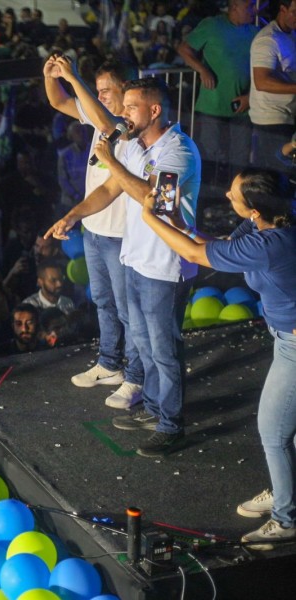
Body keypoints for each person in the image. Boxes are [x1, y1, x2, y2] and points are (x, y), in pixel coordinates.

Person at [139, 168, 296, 546]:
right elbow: (215, 246)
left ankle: (287, 519)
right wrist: (177, 221)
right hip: (285, 338)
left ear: (255, 210)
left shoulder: (271, 244)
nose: (227, 195)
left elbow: (195, 254)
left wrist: (148, 217)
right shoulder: (264, 227)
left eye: (234, 194)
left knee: (273, 431)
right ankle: (285, 491)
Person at [47, 77, 201, 457]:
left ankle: (171, 425)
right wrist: (72, 215)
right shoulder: (135, 146)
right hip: (135, 258)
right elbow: (109, 190)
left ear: (154, 111)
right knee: (145, 345)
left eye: (131, 107)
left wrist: (112, 160)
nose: (124, 113)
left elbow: (157, 202)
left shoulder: (178, 151)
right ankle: (152, 408)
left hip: (164, 266)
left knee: (164, 350)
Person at [43, 54, 145, 410]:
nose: (99, 96)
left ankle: (136, 378)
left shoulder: (128, 129)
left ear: (127, 90)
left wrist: (74, 78)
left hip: (120, 234)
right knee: (103, 301)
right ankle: (109, 363)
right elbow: (57, 101)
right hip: (94, 230)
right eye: (96, 90)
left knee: (128, 309)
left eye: (106, 90)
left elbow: (107, 122)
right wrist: (51, 76)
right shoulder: (100, 120)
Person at [177, 0, 257, 185]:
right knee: (208, 154)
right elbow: (184, 49)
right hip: (212, 105)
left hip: (242, 106)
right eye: (249, 6)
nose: (253, 11)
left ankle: (235, 202)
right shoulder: (212, 25)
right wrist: (202, 70)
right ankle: (205, 198)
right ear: (234, 7)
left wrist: (251, 96)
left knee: (240, 156)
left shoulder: (254, 32)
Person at [249, 0, 296, 171]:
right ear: (283, 9)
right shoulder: (267, 39)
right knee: (275, 175)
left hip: (287, 115)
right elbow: (262, 81)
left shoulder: (290, 34)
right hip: (271, 120)